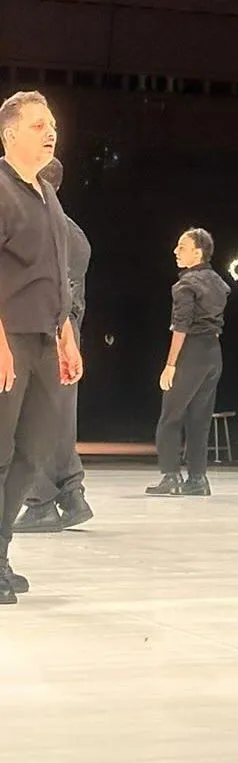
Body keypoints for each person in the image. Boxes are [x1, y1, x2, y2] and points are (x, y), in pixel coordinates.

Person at [0, 90, 84, 604]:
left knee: (32, 455)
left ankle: (1, 550)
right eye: (37, 125)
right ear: (9, 134)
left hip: (46, 340)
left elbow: (59, 275)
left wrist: (66, 335)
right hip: (9, 338)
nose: (50, 131)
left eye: (51, 123)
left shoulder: (47, 195)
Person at [13, 157, 94, 532]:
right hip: (64, 327)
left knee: (34, 418)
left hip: (45, 328)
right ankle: (71, 494)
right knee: (58, 416)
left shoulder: (46, 225)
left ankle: (41, 501)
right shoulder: (73, 231)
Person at [145, 228, 230, 497]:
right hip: (213, 354)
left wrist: (170, 365)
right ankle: (198, 478)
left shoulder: (185, 286)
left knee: (170, 417)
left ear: (198, 252)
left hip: (191, 352)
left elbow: (180, 327)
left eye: (181, 247)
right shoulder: (218, 282)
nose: (175, 251)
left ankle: (171, 476)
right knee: (199, 419)